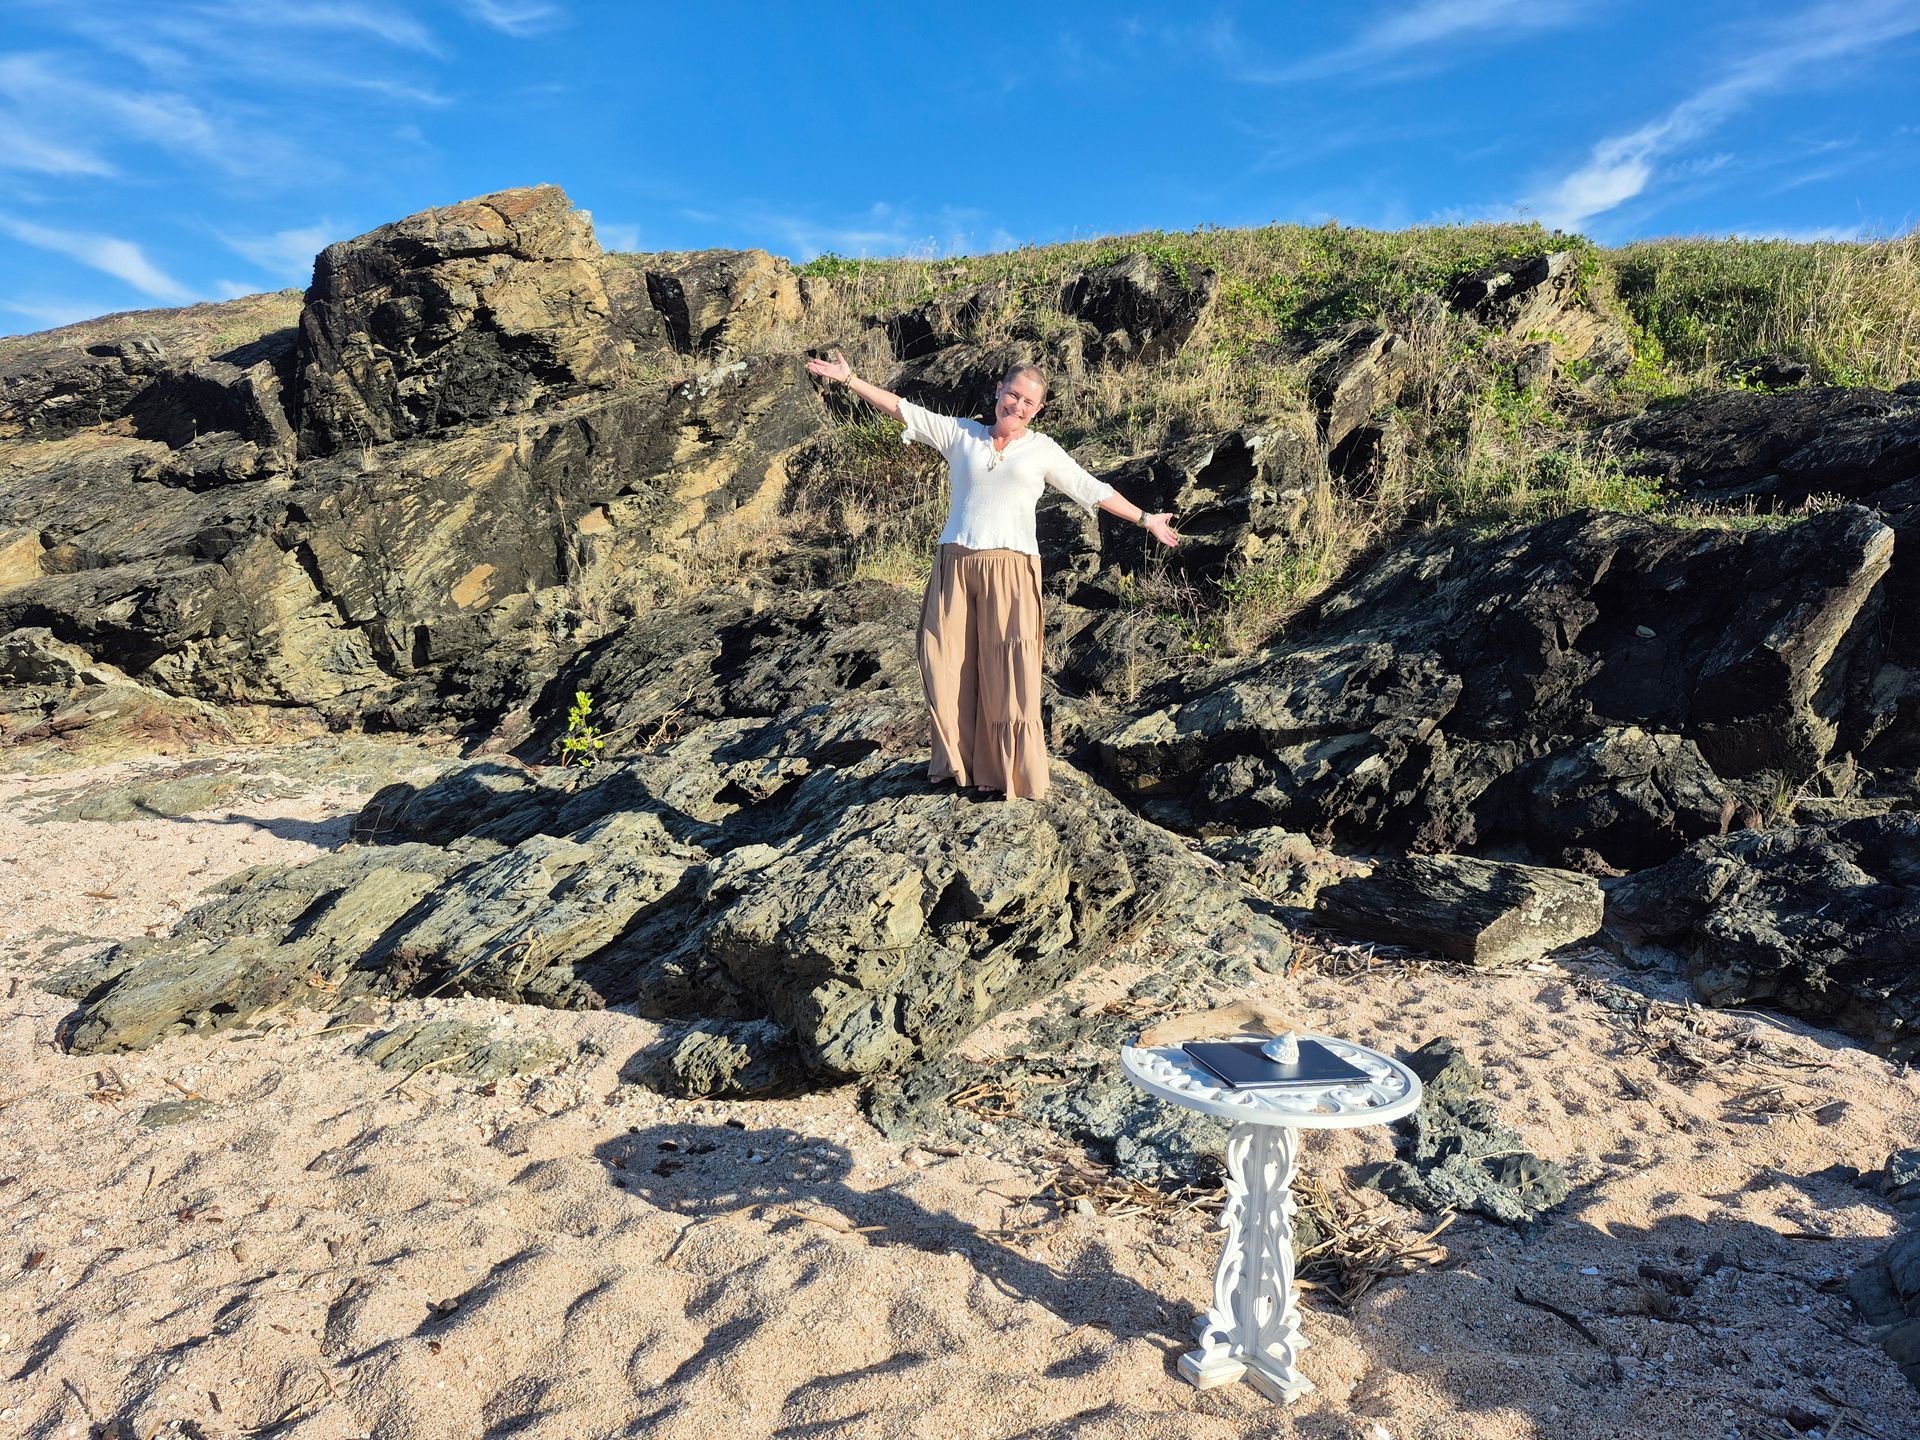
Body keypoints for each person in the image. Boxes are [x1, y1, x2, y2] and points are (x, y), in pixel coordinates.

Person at [805, 351, 1180, 801]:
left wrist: (1146, 519)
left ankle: (1001, 768)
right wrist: (851, 379)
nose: (1017, 406)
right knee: (943, 661)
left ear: (1038, 410)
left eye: (1028, 402)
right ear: (998, 392)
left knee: (1009, 671)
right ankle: (956, 762)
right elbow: (902, 408)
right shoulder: (961, 434)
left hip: (1012, 569)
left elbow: (1091, 489)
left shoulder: (1041, 450)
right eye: (1013, 395)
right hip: (955, 564)